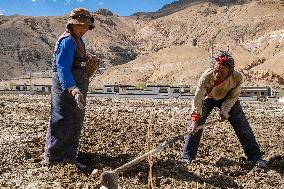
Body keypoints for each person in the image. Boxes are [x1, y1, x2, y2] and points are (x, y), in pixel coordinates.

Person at [181, 51, 267, 168]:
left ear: (229, 72)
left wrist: (224, 111)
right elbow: (198, 98)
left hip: (228, 99)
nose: (218, 73)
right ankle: (187, 157)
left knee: (242, 126)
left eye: (222, 72)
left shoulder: (237, 77)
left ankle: (255, 157)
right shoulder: (206, 76)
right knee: (195, 126)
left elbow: (233, 96)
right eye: (216, 70)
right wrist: (195, 119)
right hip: (209, 97)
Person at [44, 8, 99, 169]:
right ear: (72, 25)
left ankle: (68, 155)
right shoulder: (68, 40)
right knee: (62, 118)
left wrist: (87, 58)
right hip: (67, 87)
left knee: (74, 119)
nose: (82, 28)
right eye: (79, 25)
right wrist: (72, 88)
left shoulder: (77, 40)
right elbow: (62, 67)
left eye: (85, 26)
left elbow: (73, 60)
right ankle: (56, 158)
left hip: (75, 84)